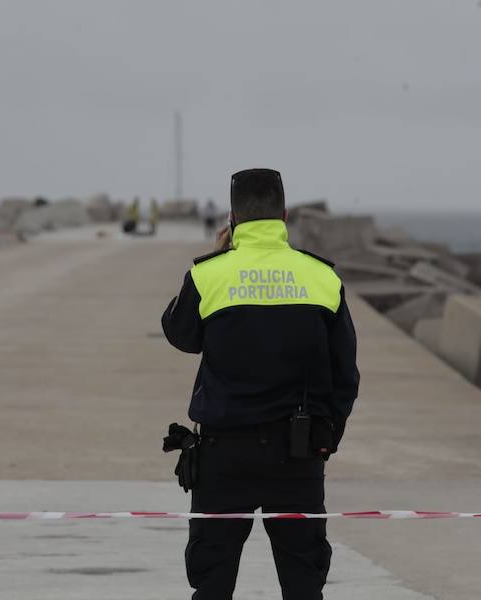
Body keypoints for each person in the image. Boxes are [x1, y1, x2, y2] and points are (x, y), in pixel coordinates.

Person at [161, 168, 360, 600]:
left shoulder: (208, 275)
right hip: (298, 453)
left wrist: (216, 256)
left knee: (211, 583)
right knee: (304, 583)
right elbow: (346, 375)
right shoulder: (322, 277)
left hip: (222, 455)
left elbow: (180, 335)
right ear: (284, 215)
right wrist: (327, 439)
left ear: (232, 219)